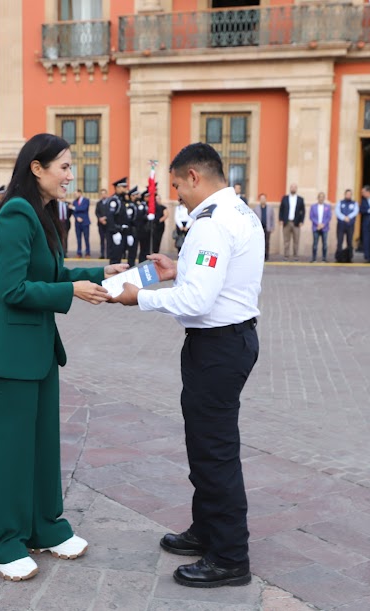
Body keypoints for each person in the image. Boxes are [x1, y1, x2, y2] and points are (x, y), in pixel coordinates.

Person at [0, 133, 125, 581]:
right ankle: (0, 543)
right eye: (63, 166)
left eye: (71, 166)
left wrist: (98, 273)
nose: (69, 175)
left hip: (35, 350)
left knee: (41, 446)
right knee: (11, 452)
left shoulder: (40, 214)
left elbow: (53, 273)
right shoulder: (17, 213)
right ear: (36, 168)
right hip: (8, 353)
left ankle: (44, 528)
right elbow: (13, 289)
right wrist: (70, 290)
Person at [112, 142, 263, 589]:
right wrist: (179, 267)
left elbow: (198, 300)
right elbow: (214, 275)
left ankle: (230, 556)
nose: (175, 195)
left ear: (194, 177)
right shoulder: (238, 212)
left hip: (216, 347)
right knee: (206, 444)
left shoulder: (210, 225)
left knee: (214, 451)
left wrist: (138, 296)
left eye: (176, 186)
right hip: (230, 342)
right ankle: (207, 530)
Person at [106, 177, 129, 264]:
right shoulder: (114, 200)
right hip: (115, 233)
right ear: (118, 188)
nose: (125, 189)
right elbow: (110, 217)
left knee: (119, 258)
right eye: (123, 187)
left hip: (121, 232)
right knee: (115, 259)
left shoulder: (121, 200)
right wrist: (115, 232)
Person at [279, 183, 304, 261]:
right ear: (290, 189)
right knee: (286, 240)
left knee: (296, 240)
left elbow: (303, 211)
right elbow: (281, 209)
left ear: (296, 189)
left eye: (294, 187)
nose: (293, 189)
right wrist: (280, 219)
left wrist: (301, 221)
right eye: (292, 187)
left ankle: (295, 255)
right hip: (286, 222)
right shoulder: (285, 198)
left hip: (296, 223)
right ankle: (286, 255)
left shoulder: (300, 199)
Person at [335, 189, 358, 261]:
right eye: (347, 194)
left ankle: (349, 257)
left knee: (349, 241)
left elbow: (355, 211)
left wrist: (349, 217)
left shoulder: (354, 203)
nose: (348, 195)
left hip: (350, 225)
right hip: (341, 225)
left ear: (351, 195)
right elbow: (337, 211)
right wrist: (343, 217)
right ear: (345, 195)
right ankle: (339, 257)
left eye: (350, 194)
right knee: (339, 241)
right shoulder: (340, 202)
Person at [309, 192, 332, 263]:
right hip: (316, 228)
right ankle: (314, 258)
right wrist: (318, 224)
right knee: (315, 244)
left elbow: (329, 217)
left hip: (324, 228)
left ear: (324, 198)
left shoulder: (327, 207)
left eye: (322, 197)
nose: (321, 198)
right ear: (318, 198)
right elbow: (311, 216)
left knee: (324, 244)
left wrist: (323, 224)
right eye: (320, 197)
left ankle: (324, 258)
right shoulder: (313, 206)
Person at [72, 189, 91, 258]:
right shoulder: (74, 202)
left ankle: (87, 253)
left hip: (85, 222)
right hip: (77, 223)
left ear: (80, 193)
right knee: (78, 238)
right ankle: (79, 252)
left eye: (76, 194)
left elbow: (84, 208)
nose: (75, 195)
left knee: (86, 238)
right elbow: (73, 212)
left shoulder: (86, 200)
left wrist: (74, 208)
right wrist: (77, 217)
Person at [255, 194, 274, 261]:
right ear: (259, 200)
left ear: (266, 199)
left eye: (264, 198)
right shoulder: (256, 209)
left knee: (267, 242)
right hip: (259, 229)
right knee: (259, 243)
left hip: (267, 227)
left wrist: (272, 227)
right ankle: (260, 256)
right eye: (261, 198)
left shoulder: (270, 208)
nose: (262, 200)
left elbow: (272, 218)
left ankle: (266, 256)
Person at [136, 190, 153, 262]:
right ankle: (142, 261)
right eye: (147, 196)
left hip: (147, 229)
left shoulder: (147, 205)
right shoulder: (141, 206)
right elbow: (139, 217)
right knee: (143, 248)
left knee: (147, 248)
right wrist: (147, 217)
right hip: (142, 230)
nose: (148, 198)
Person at [95, 188, 108, 259]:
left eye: (104, 193)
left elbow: (110, 213)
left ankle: (109, 254)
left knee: (108, 240)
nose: (103, 195)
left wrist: (105, 218)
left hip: (108, 223)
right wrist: (100, 218)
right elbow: (97, 212)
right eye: (102, 194)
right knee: (102, 239)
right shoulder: (98, 203)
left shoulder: (109, 202)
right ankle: (102, 254)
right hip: (100, 224)